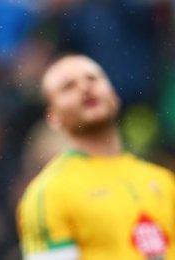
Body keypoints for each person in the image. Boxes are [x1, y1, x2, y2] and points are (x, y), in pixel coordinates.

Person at [17, 54, 175, 259]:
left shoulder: (162, 180)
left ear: (114, 95)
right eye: (68, 86)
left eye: (93, 79)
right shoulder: (49, 193)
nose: (85, 87)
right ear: (53, 117)